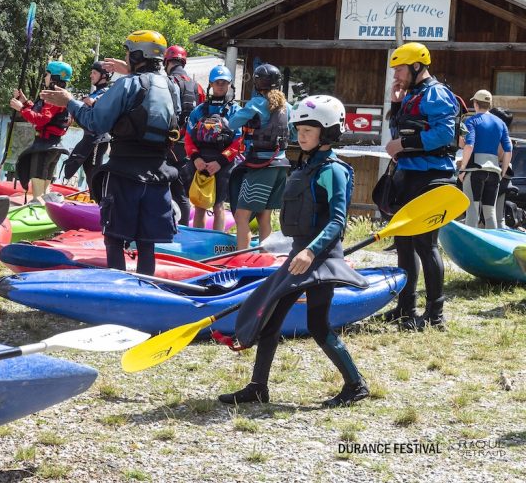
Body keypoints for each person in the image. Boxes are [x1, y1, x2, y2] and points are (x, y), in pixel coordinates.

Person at [218, 95, 369, 408]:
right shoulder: (306, 165)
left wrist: (310, 253)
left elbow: (338, 222)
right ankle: (258, 387)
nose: (301, 135)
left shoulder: (332, 170)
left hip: (321, 260)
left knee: (317, 325)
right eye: (300, 129)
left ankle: (356, 385)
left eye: (309, 130)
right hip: (300, 256)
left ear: (327, 133)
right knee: (271, 320)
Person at [40, 30, 179, 276]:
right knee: (147, 242)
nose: (126, 56)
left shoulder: (127, 84)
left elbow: (95, 122)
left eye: (128, 52)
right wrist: (129, 71)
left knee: (114, 236)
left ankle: (115, 286)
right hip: (159, 172)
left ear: (138, 54)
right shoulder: (171, 86)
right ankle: (144, 289)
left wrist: (69, 102)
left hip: (124, 171)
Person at [382, 42, 458, 330]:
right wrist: (395, 103)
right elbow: (397, 133)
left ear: (417, 67)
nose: (396, 75)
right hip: (408, 174)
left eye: (399, 69)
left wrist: (404, 143)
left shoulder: (436, 93)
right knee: (403, 241)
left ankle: (435, 315)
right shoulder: (411, 95)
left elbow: (443, 134)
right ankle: (405, 307)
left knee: (425, 244)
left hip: (432, 177)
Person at [228, 63, 291, 250]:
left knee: (241, 216)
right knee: (264, 216)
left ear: (257, 83)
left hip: (262, 166)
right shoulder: (287, 106)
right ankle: (264, 258)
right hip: (281, 166)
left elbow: (232, 123)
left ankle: (241, 260)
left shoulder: (256, 103)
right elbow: (293, 135)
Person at [182, 65, 243, 231]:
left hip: (223, 163)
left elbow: (238, 141)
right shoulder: (199, 110)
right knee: (200, 206)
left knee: (218, 206)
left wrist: (220, 162)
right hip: (200, 161)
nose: (220, 85)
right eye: (217, 82)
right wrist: (196, 159)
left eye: (224, 82)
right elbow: (188, 138)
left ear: (230, 84)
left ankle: (215, 243)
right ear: (211, 84)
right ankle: (197, 241)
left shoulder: (236, 111)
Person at [10, 61, 73, 203]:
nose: (45, 77)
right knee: (44, 184)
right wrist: (26, 103)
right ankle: (46, 204)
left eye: (47, 74)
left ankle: (39, 205)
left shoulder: (53, 98)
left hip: (45, 146)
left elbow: (41, 119)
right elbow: (42, 112)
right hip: (53, 146)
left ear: (54, 78)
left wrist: (21, 109)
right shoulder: (59, 96)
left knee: (38, 185)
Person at [458, 89, 511, 229]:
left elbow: (468, 145)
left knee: (472, 212)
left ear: (475, 104)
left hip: (474, 170)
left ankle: (470, 248)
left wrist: (463, 168)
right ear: (489, 104)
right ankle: (491, 248)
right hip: (494, 171)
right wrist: (502, 171)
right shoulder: (501, 123)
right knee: (490, 213)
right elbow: (508, 149)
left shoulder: (469, 121)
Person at [165, 46, 206, 223]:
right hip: (189, 145)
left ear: (167, 62)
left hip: (169, 142)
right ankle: (183, 228)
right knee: (182, 192)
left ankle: (164, 225)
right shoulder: (198, 87)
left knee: (162, 186)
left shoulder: (167, 81)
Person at [62, 60, 112, 198]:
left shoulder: (107, 93)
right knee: (84, 167)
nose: (91, 75)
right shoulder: (95, 93)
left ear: (104, 76)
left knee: (93, 171)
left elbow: (104, 110)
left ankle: (99, 204)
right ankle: (95, 200)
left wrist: (94, 103)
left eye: (94, 73)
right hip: (89, 138)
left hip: (98, 139)